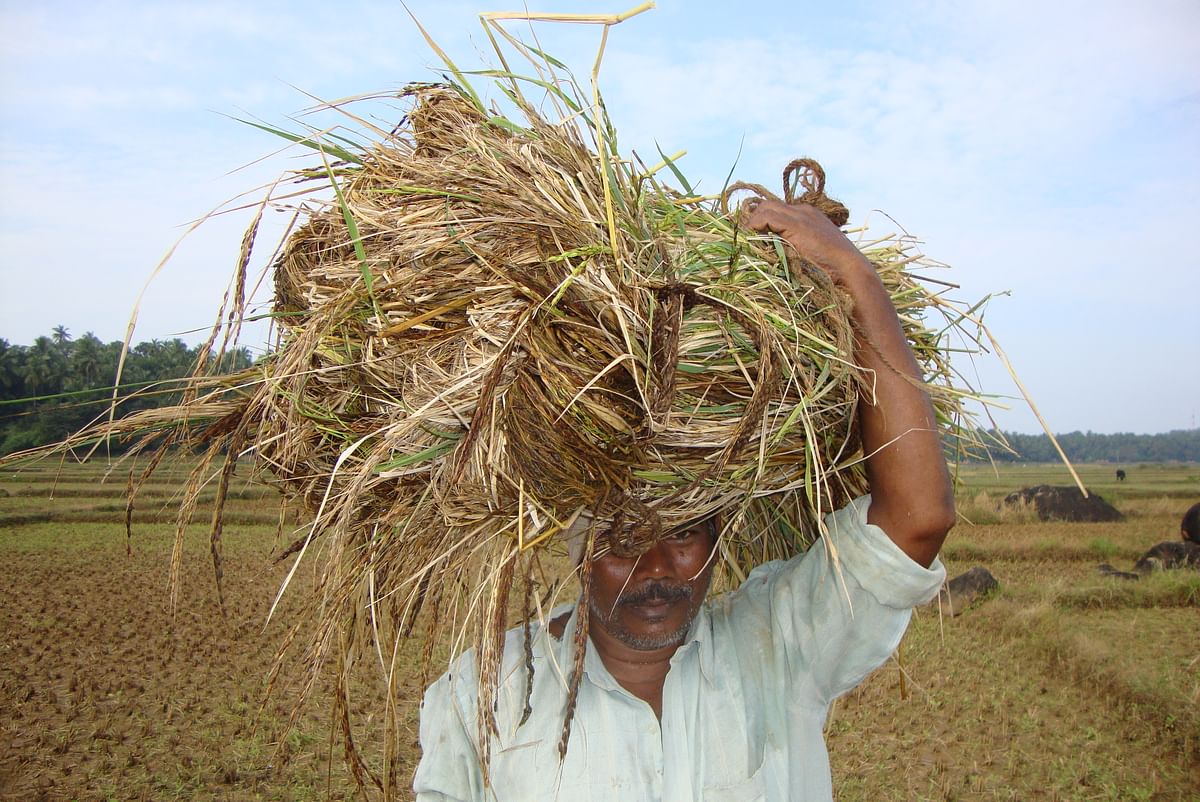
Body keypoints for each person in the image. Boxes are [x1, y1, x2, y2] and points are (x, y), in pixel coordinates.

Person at [413, 200, 956, 801]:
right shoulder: (487, 695)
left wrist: (855, 277)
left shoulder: (777, 647)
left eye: (682, 532)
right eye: (621, 540)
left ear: (718, 536)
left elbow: (917, 519)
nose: (655, 569)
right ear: (575, 546)